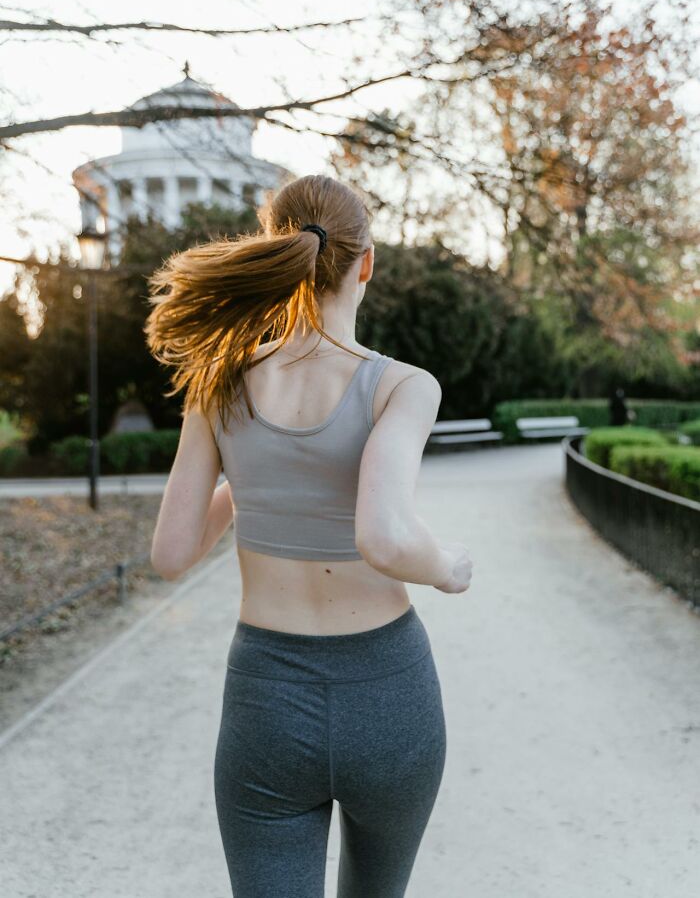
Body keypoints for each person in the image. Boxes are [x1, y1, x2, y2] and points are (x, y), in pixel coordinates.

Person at [144, 174, 473, 898]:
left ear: (277, 251)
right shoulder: (401, 385)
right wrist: (450, 566)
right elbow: (385, 538)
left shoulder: (217, 381)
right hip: (390, 694)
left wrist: (249, 481)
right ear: (367, 263)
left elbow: (169, 555)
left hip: (265, 697)